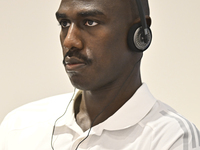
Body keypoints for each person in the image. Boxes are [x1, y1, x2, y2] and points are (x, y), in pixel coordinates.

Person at [0, 0, 200, 149]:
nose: (69, 41)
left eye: (89, 22)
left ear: (140, 35)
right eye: (64, 23)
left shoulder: (170, 137)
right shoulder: (19, 125)